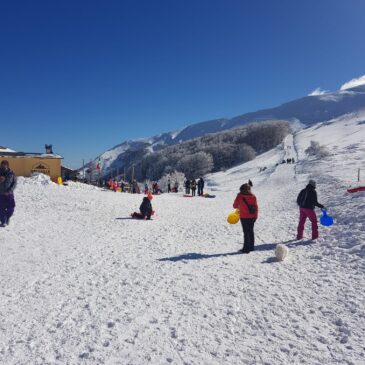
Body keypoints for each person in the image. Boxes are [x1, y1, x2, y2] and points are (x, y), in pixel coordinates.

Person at [233, 183, 258, 253]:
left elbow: (234, 206)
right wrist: (256, 216)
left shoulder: (240, 196)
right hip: (252, 217)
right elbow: (256, 207)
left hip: (244, 217)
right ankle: (251, 247)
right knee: (251, 231)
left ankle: (246, 249)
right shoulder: (253, 196)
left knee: (246, 232)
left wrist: (238, 197)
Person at [0, 160, 17, 227]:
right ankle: (3, 221)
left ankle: (7, 217)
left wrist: (10, 190)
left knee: (11, 208)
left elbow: (14, 183)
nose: (3, 166)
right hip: (0, 194)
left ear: (8, 165)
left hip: (9, 194)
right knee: (1, 208)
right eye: (2, 165)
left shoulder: (11, 173)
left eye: (5, 165)